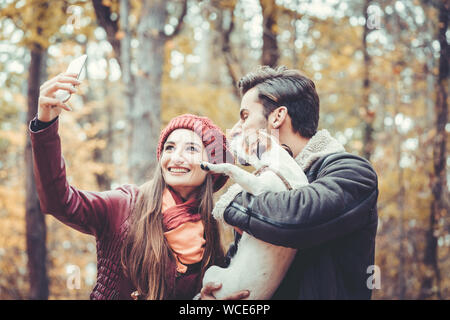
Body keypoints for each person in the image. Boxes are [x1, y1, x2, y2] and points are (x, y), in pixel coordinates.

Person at [29, 72, 248, 300]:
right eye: (170, 148)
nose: (176, 158)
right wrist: (46, 124)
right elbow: (58, 201)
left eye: (191, 149)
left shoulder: (213, 232)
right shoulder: (124, 205)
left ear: (211, 168)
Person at [200, 66, 379, 300]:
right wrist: (211, 298)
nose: (238, 128)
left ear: (277, 116)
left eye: (245, 116)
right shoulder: (262, 185)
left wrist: (233, 203)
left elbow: (297, 218)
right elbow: (240, 261)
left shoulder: (352, 172)